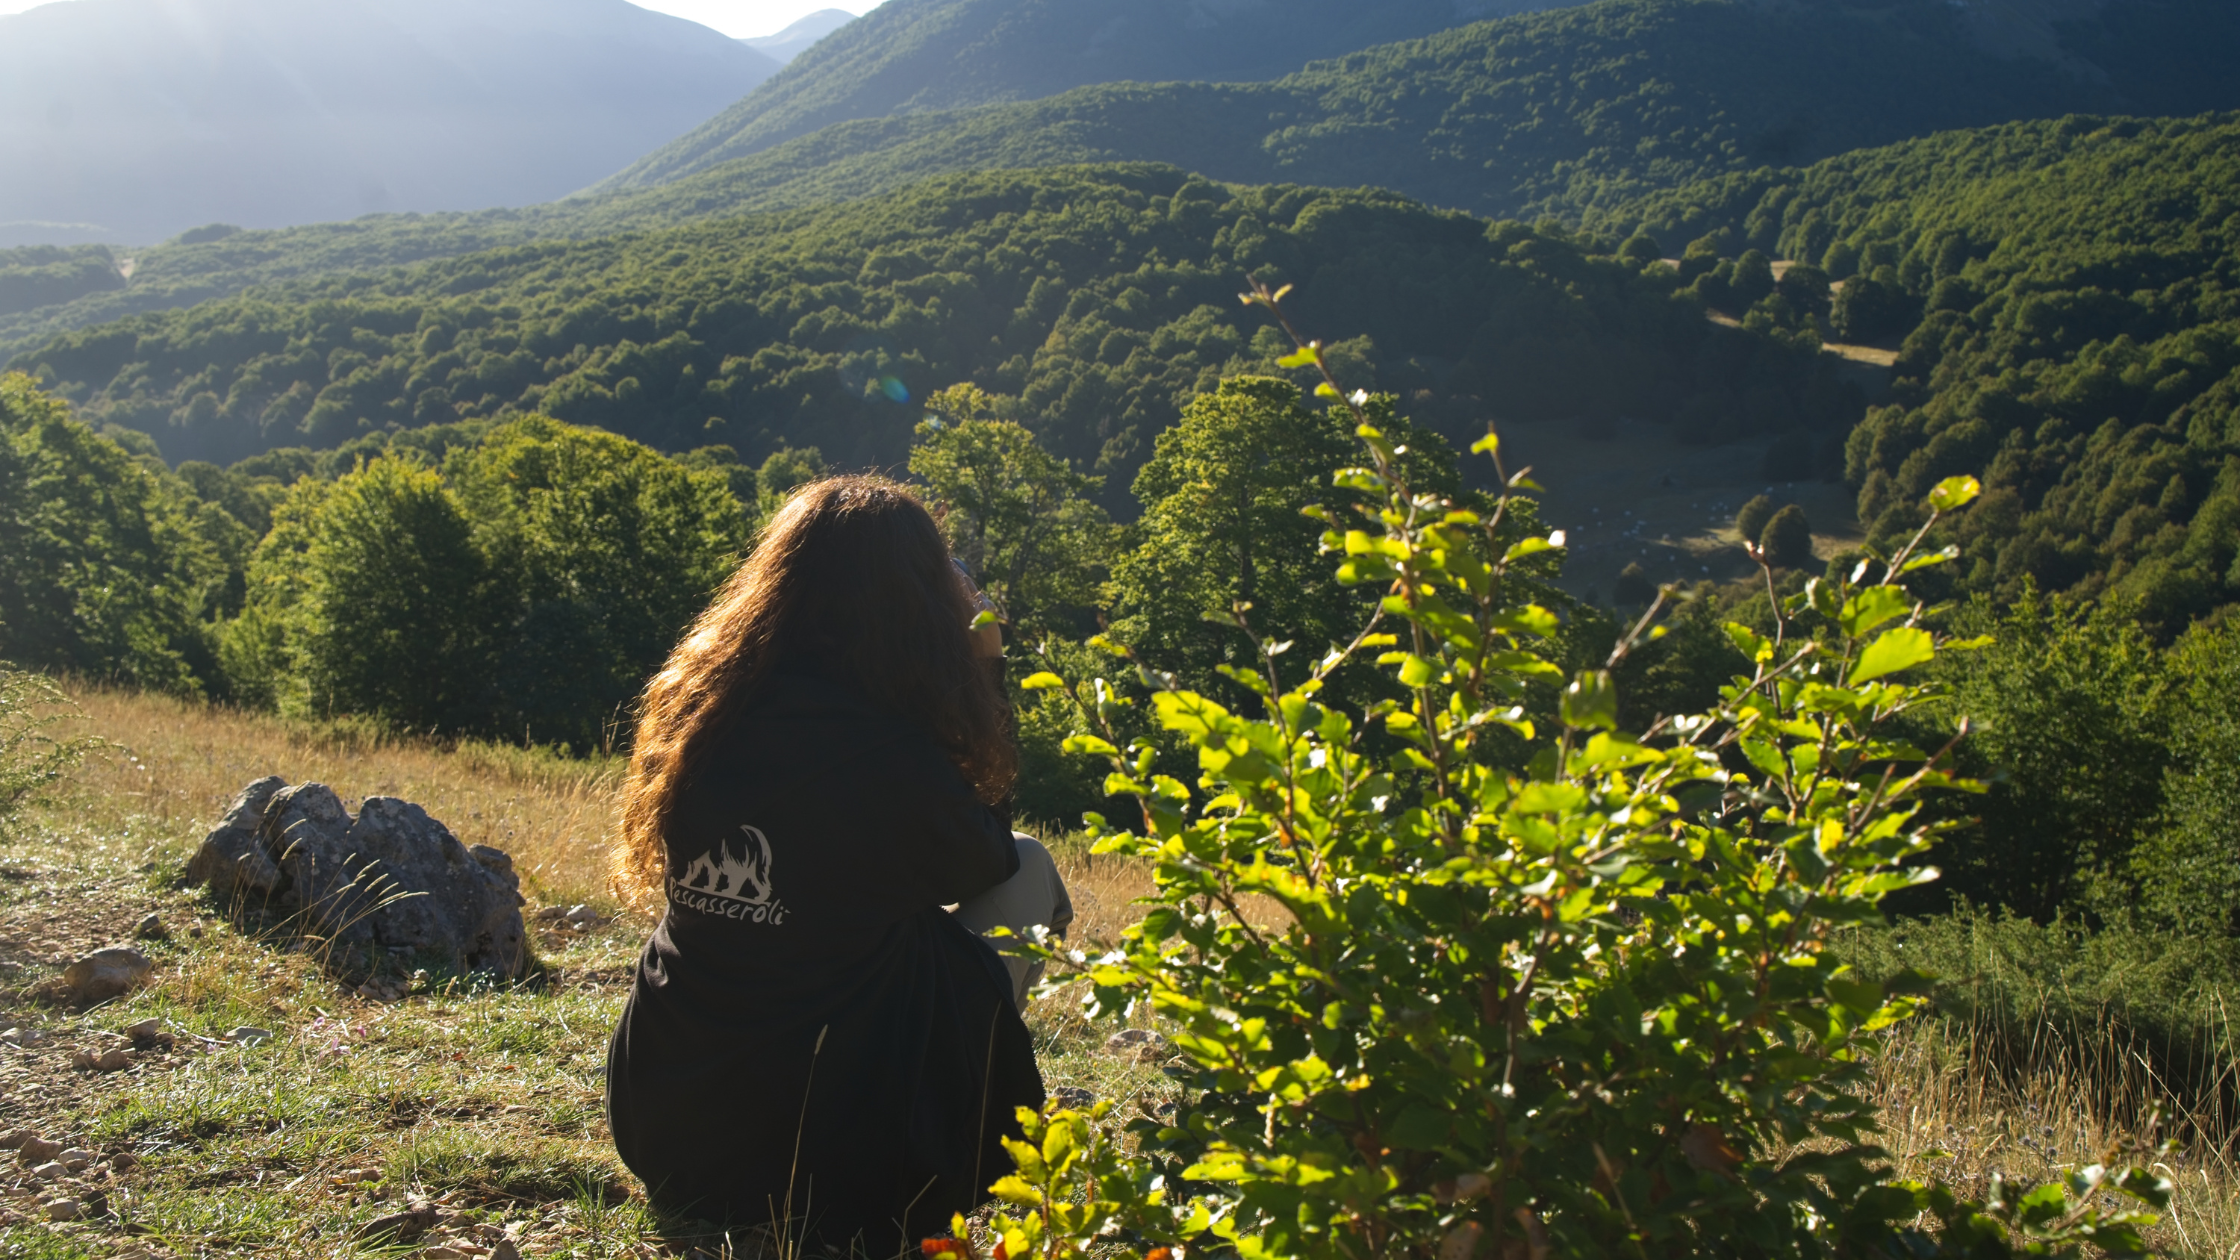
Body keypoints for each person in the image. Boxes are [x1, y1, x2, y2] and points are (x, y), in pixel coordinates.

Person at [605, 475, 1073, 1257]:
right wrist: (984, 668)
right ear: (918, 608)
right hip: (841, 1168)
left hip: (668, 1123)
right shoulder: (893, 760)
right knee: (1027, 868)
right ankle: (963, 1099)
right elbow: (987, 853)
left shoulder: (703, 713)